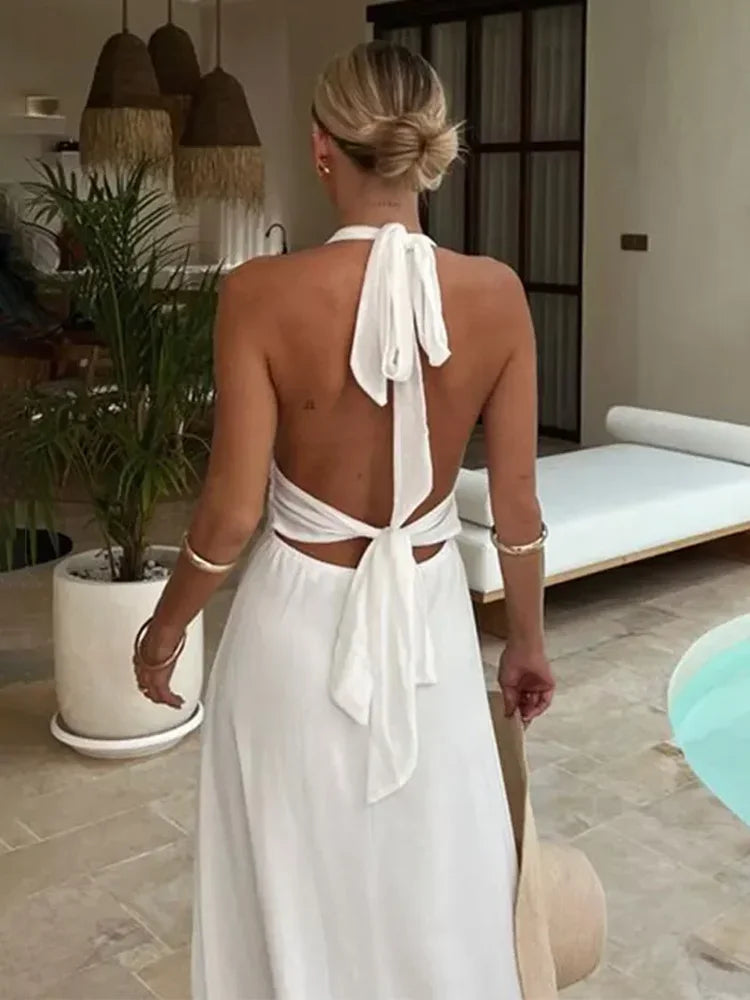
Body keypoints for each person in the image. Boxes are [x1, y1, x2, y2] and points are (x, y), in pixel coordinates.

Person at [133, 40, 555, 1000]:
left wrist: (165, 630)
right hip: (433, 631)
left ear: (322, 147)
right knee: (432, 884)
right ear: (428, 153)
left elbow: (231, 515)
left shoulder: (258, 294)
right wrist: (526, 643)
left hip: (294, 629)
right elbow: (519, 508)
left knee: (292, 885)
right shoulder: (498, 296)